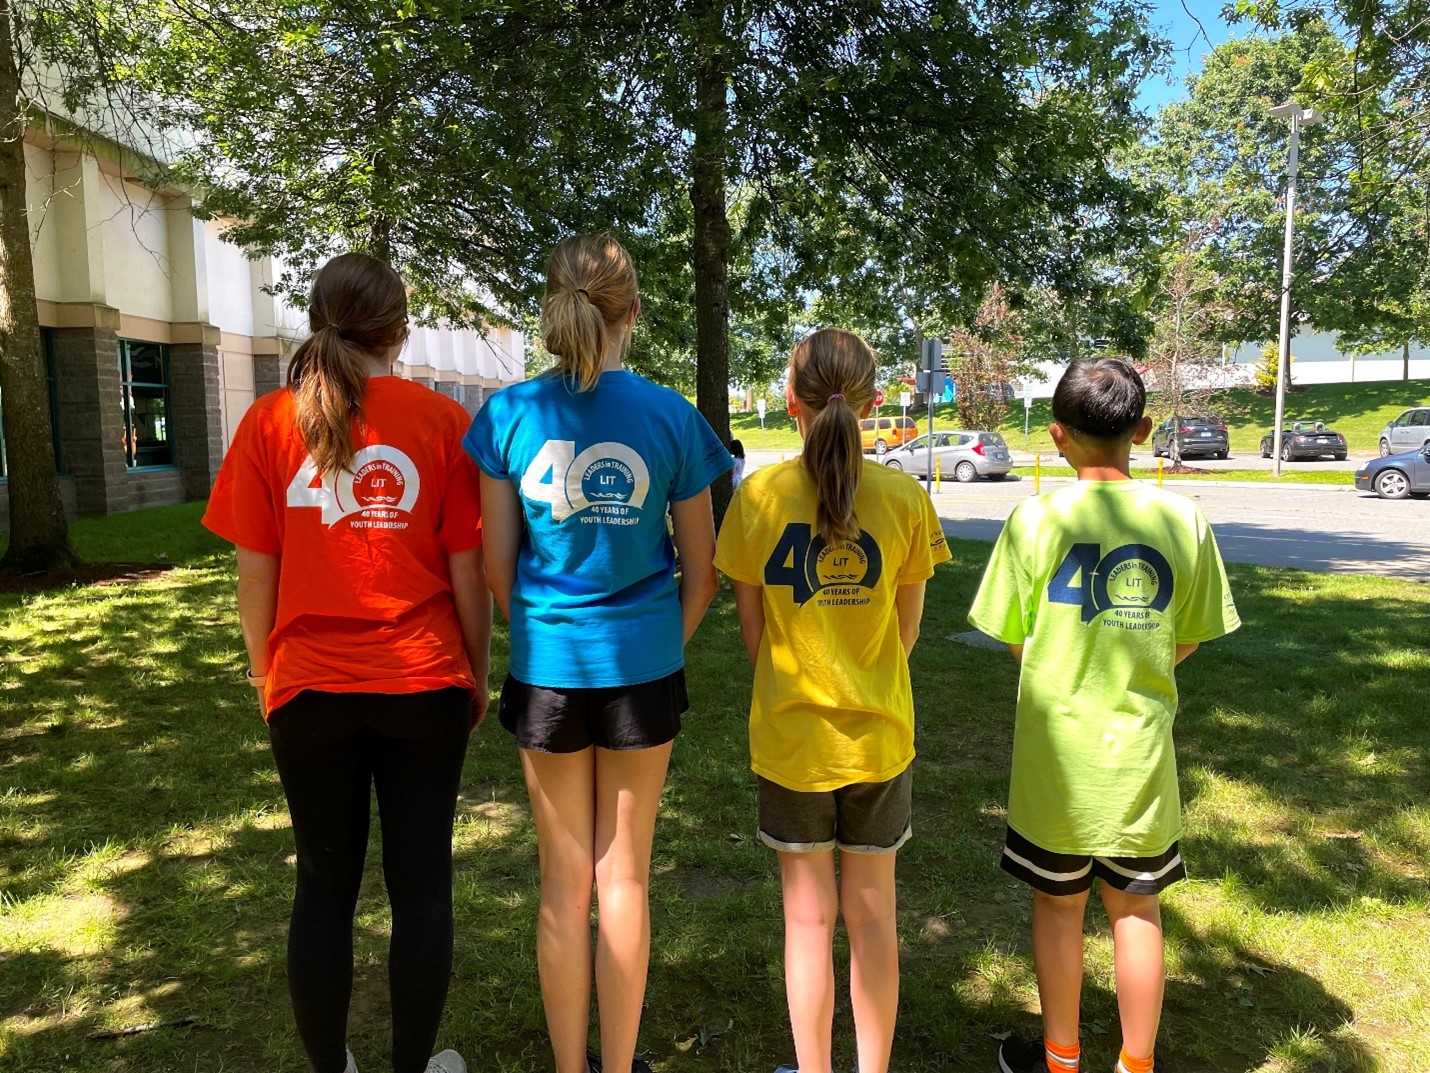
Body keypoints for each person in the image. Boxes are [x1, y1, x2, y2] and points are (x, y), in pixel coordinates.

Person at [203, 252, 490, 1073]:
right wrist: (475, 666)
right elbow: (468, 571)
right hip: (423, 681)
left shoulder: (267, 422)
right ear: (398, 330)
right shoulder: (440, 421)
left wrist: (269, 675)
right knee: (422, 887)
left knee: (322, 889)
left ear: (317, 319)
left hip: (307, 689)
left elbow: (255, 576)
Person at [463, 233, 730, 1073]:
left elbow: (496, 566)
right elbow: (704, 572)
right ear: (635, 313)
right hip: (640, 668)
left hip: (547, 667)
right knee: (625, 878)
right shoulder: (670, 416)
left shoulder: (507, 416)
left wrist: (543, 631)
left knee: (561, 880)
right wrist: (656, 645)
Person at [967, 358, 1240, 1073]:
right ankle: (1135, 1063)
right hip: (1140, 760)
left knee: (1058, 911)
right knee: (1137, 911)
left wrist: (1063, 662)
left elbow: (1008, 631)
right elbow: (1191, 632)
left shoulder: (1033, 518)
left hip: (1054, 759)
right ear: (1145, 432)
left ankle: (1061, 1059)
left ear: (1057, 436)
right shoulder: (1184, 518)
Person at [713, 328, 950, 1073]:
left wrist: (797, 683)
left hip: (792, 740)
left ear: (791, 404)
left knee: (808, 918)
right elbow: (905, 632)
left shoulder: (757, 496)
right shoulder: (906, 497)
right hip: (879, 738)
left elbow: (753, 632)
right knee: (874, 913)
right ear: (877, 404)